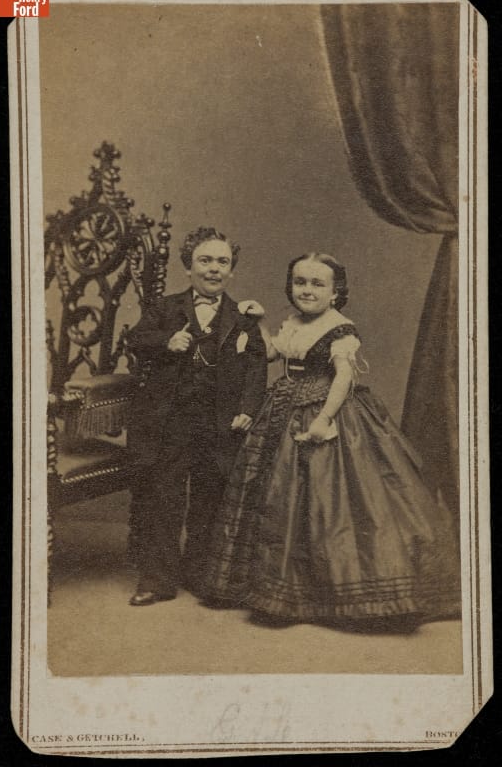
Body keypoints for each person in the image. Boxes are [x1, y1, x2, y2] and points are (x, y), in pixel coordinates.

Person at [196, 252, 461, 630]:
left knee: (325, 497)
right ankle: (272, 587)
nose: (307, 290)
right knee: (277, 493)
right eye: (300, 282)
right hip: (281, 407)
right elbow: (271, 353)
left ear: (335, 292)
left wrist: (324, 419)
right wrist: (259, 323)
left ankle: (323, 592)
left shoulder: (340, 329)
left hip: (326, 409)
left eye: (317, 284)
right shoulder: (292, 322)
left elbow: (343, 378)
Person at [126, 227, 268, 606]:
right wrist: (166, 341)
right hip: (171, 420)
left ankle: (199, 573)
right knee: (165, 497)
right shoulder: (165, 308)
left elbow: (256, 366)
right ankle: (158, 579)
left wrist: (247, 409)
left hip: (218, 423)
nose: (214, 268)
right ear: (188, 267)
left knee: (210, 498)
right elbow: (135, 339)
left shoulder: (243, 317)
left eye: (222, 262)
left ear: (231, 271)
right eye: (205, 260)